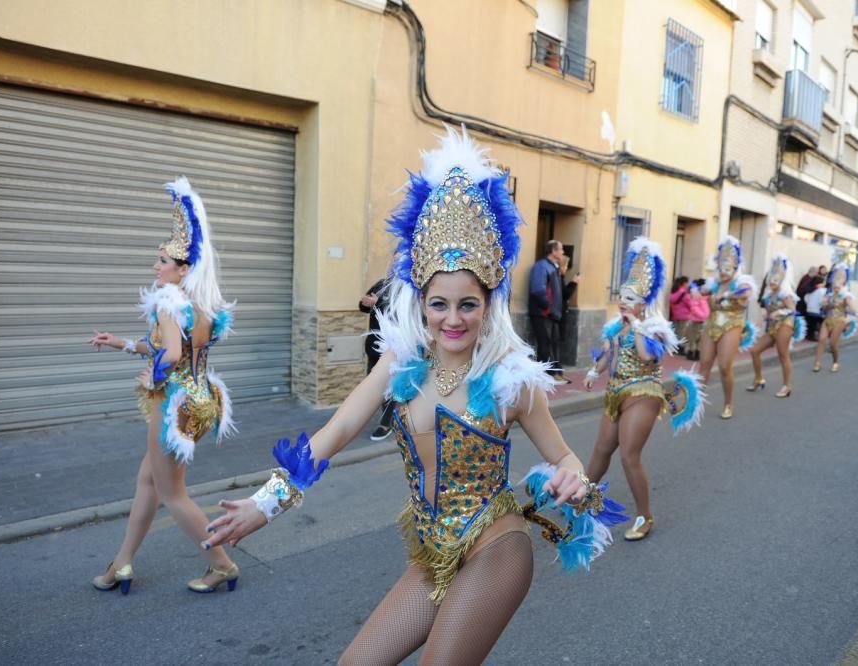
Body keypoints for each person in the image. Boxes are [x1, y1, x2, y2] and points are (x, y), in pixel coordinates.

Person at [202, 127, 622, 664]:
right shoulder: (399, 365)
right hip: (433, 550)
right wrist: (265, 505)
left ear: (489, 303)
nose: (453, 319)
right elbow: (335, 432)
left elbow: (563, 456)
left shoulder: (511, 381)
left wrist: (571, 477)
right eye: (439, 304)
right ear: (421, 300)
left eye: (468, 304)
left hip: (498, 546)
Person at [88, 177, 237, 595]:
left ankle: (222, 563)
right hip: (201, 398)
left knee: (172, 494)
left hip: (173, 403)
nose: (155, 267)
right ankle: (122, 562)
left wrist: (152, 374)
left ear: (182, 268)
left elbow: (170, 354)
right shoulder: (200, 305)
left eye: (161, 261)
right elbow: (177, 348)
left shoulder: (170, 303)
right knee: (148, 483)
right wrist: (120, 343)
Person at [583, 238, 705, 541]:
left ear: (643, 302)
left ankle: (645, 516)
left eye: (631, 297)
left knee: (629, 455)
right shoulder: (617, 327)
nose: (623, 301)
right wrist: (591, 372)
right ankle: (582, 496)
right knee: (601, 449)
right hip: (615, 393)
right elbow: (607, 355)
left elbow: (648, 354)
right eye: (622, 296)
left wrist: (636, 324)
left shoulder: (653, 327)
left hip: (643, 395)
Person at [697, 236, 756, 419]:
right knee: (704, 363)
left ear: (736, 267)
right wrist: (697, 289)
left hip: (732, 324)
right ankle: (695, 403)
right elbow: (698, 290)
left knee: (724, 366)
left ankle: (728, 402)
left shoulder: (741, 281)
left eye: (728, 268)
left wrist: (728, 294)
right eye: (721, 268)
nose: (723, 272)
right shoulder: (714, 283)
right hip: (712, 323)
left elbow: (746, 293)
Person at [746, 255, 804, 398]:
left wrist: (779, 311)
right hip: (772, 327)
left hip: (785, 325)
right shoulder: (768, 295)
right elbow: (768, 312)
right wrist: (764, 317)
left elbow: (794, 310)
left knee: (783, 355)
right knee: (754, 351)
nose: (772, 282)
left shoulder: (786, 294)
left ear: (782, 280)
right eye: (771, 279)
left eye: (776, 279)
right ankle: (759, 379)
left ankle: (787, 386)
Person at [360, 276, 395, 440]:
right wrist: (364, 302)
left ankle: (386, 423)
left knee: (391, 385)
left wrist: (378, 303)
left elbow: (401, 311)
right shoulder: (382, 283)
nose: (396, 263)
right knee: (374, 384)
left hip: (393, 346)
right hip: (374, 342)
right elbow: (365, 307)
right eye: (395, 259)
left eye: (400, 258)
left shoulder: (409, 286)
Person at [529, 239, 569, 382]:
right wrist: (548, 306)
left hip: (552, 314)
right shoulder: (541, 267)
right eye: (561, 249)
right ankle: (548, 374)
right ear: (553, 251)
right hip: (543, 313)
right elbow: (537, 290)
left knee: (554, 342)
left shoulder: (553, 267)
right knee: (545, 344)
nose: (563, 252)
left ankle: (556, 371)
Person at [813, 263, 858, 373]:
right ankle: (817, 363)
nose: (835, 286)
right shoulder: (829, 295)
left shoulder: (846, 296)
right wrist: (826, 305)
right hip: (828, 320)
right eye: (834, 284)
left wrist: (857, 313)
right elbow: (822, 306)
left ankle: (835, 362)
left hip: (839, 320)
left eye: (838, 284)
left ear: (843, 284)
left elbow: (851, 306)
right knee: (821, 340)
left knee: (832, 343)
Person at [557, 253, 581, 345]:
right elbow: (565, 294)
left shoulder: (560, 278)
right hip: (559, 313)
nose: (566, 268)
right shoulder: (558, 278)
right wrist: (574, 283)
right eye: (566, 265)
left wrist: (572, 282)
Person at [684, 278, 709, 361]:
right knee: (693, 338)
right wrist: (703, 316)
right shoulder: (694, 298)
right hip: (695, 321)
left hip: (704, 322)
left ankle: (698, 353)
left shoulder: (705, 298)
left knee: (701, 339)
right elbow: (694, 308)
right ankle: (691, 352)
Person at [669, 276, 691, 355]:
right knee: (682, 333)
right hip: (684, 316)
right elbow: (690, 304)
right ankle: (681, 349)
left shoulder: (674, 291)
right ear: (684, 283)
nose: (688, 284)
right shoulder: (684, 293)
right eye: (688, 282)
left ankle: (675, 348)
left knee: (676, 332)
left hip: (675, 315)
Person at [803, 275, 826, 341]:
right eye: (824, 282)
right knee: (822, 324)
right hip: (817, 310)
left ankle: (809, 336)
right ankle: (820, 336)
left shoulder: (810, 290)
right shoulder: (822, 291)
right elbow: (822, 301)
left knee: (811, 325)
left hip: (809, 309)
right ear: (820, 283)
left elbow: (806, 299)